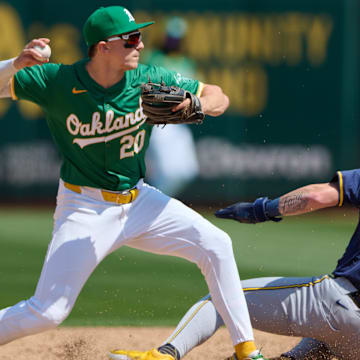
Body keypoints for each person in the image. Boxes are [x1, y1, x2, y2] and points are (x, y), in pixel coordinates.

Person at [0, 6, 267, 360]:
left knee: (216, 243)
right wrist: (15, 64)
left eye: (139, 36)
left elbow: (220, 95)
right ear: (103, 47)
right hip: (84, 208)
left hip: (138, 201)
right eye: (130, 38)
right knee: (48, 311)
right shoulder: (58, 81)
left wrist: (197, 102)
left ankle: (246, 350)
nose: (139, 44)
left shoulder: (147, 79)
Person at [120, 169, 360, 360]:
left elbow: (314, 197)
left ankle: (165, 355)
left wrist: (261, 210)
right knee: (328, 340)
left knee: (221, 298)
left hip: (341, 305)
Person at [144, 16, 199, 197]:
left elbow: (195, 92)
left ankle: (151, 204)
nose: (173, 42)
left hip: (179, 123)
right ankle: (150, 207)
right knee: (168, 173)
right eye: (171, 37)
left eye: (177, 38)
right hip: (159, 122)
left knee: (188, 170)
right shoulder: (153, 58)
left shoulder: (186, 62)